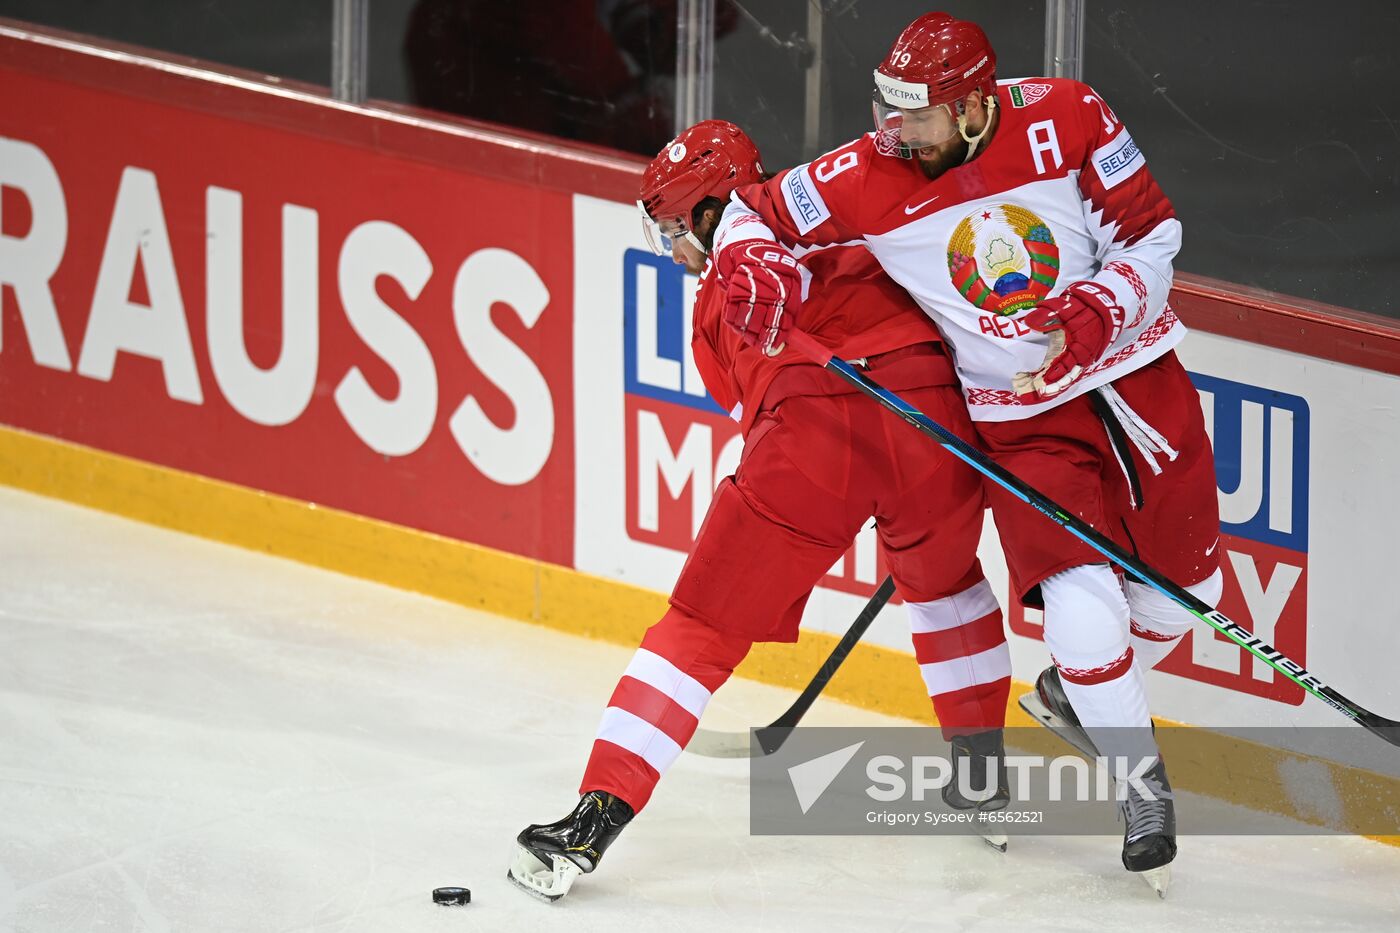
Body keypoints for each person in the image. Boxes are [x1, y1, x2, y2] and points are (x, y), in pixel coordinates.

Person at [718, 12, 1223, 894]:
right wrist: (755, 262)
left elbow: (1154, 237)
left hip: (1137, 380)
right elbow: (746, 217)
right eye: (887, 106)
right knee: (1081, 604)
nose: (893, 129)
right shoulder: (863, 172)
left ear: (974, 105)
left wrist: (1099, 307)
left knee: (1190, 596)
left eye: (916, 114)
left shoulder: (1069, 117)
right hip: (1020, 420)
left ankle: (1080, 696)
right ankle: (1141, 788)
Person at [508, 120, 1011, 902]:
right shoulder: (851, 225)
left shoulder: (726, 275)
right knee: (949, 590)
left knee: (698, 630)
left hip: (811, 449)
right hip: (934, 425)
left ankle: (594, 816)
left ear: (712, 211)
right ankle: (983, 777)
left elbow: (750, 381)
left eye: (676, 227)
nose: (674, 249)